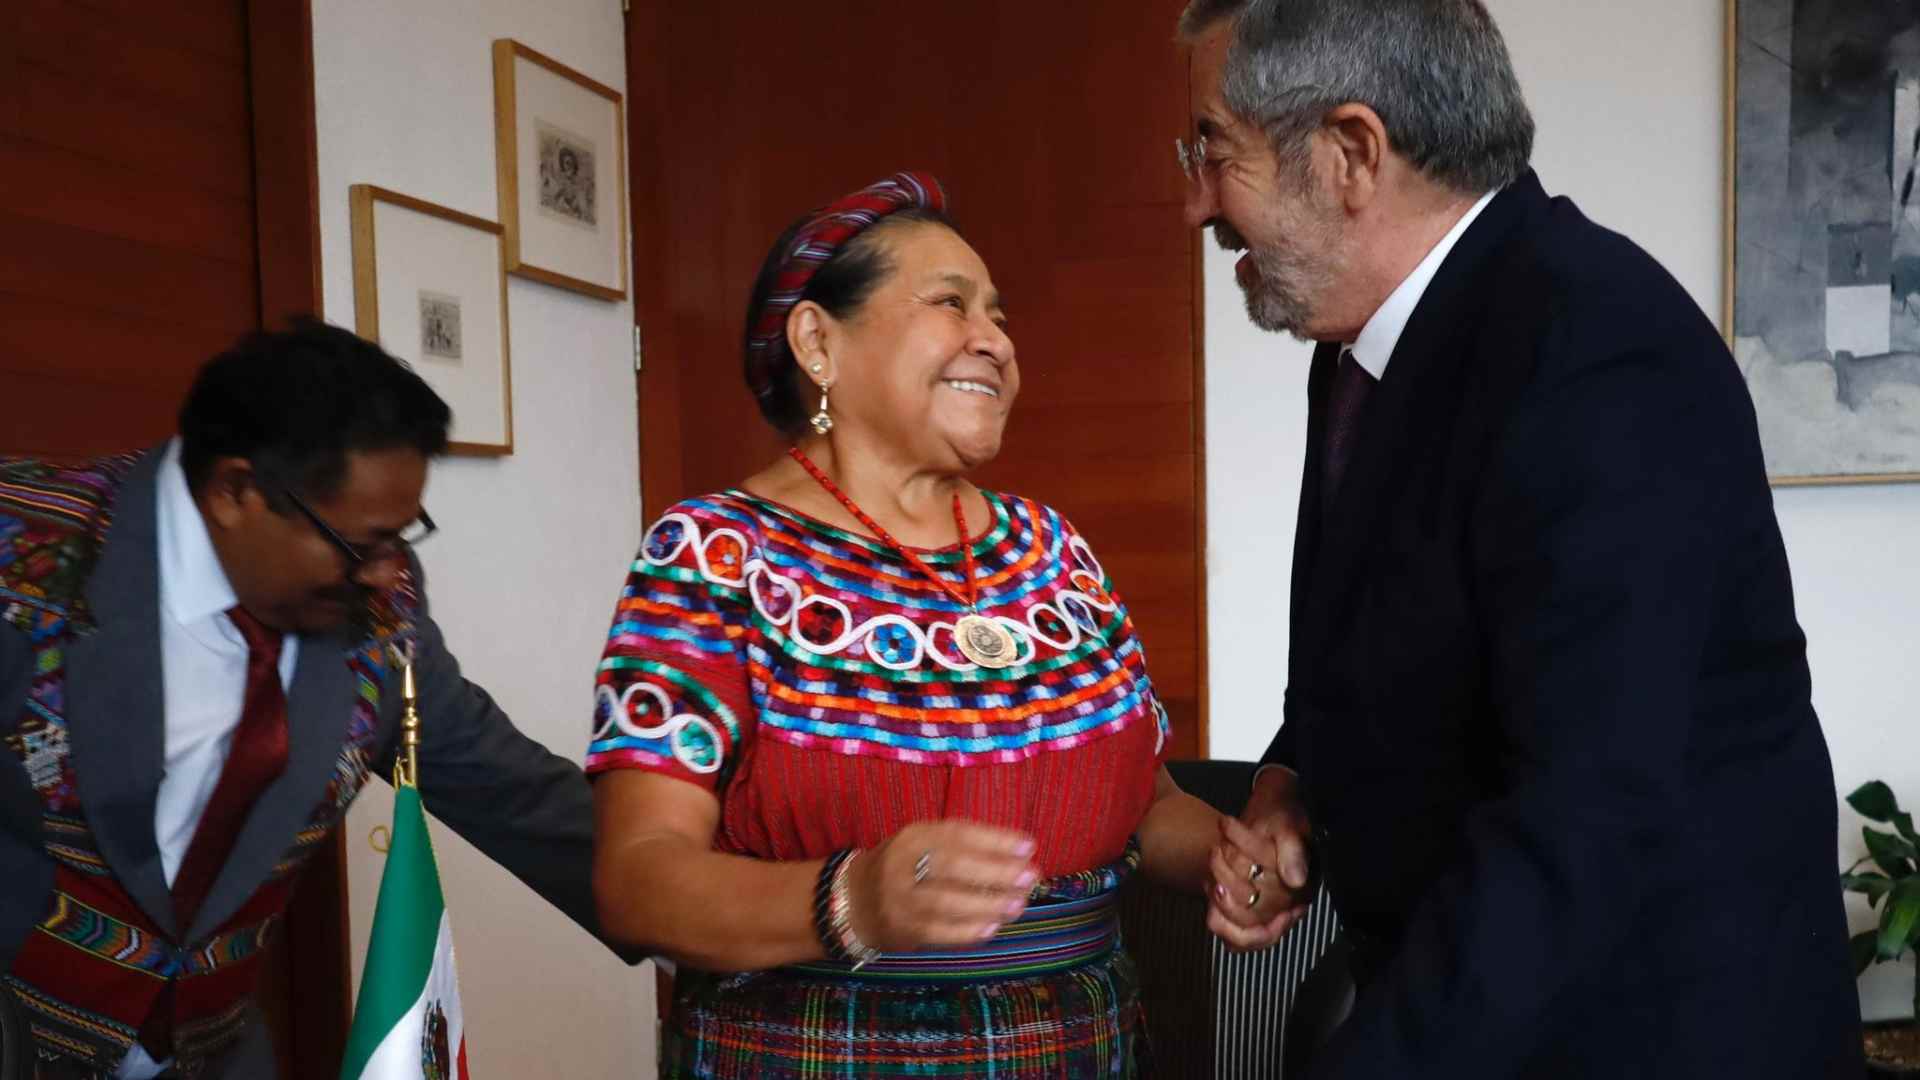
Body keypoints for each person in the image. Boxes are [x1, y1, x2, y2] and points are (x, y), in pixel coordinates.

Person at [1175, 1, 1865, 1076]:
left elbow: (1584, 815)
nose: (1196, 204)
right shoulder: (1365, 347)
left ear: (1351, 153)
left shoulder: (1597, 351)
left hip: (1641, 1035)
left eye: (1215, 150)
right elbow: (1404, 644)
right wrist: (1290, 777)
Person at [588, 172, 1222, 1078]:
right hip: (815, 1054)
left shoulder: (1052, 549)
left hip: (1081, 1049)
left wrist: (1226, 856)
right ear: (818, 341)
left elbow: (1148, 805)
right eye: (950, 303)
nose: (994, 339)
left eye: (998, 315)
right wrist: (852, 900)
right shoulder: (716, 555)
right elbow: (637, 878)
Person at [0, 321, 610, 1079]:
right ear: (235, 492)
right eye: (362, 545)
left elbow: (506, 786)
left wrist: (688, 890)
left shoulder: (379, 609)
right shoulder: (22, 550)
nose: (387, 573)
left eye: (403, 537)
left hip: (220, 1053)